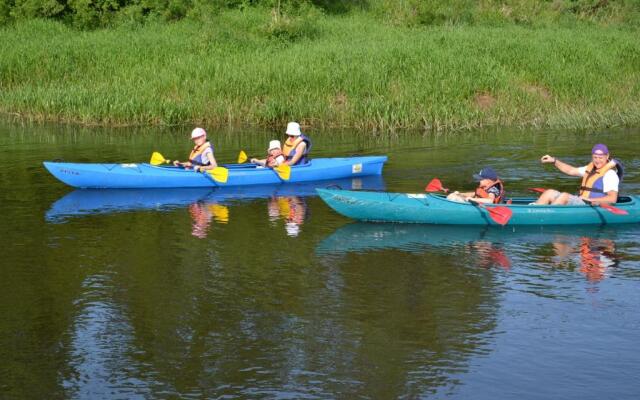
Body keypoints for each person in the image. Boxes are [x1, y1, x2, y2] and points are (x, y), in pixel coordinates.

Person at [533, 144, 621, 206]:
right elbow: (571, 170)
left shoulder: (610, 174)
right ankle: (533, 211)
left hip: (591, 205)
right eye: (595, 157)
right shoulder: (590, 169)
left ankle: (546, 215)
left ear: (607, 156)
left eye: (600, 158)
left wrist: (591, 200)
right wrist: (554, 161)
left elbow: (612, 199)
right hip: (582, 201)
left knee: (564, 196)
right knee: (549, 192)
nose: (597, 160)